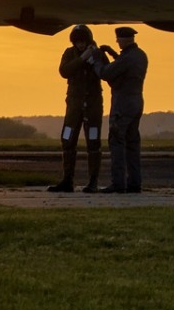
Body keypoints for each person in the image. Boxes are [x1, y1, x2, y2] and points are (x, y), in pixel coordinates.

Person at [93, 25, 149, 193]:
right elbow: (122, 67)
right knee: (132, 143)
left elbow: (105, 73)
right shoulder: (139, 55)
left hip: (122, 103)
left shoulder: (127, 58)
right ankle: (134, 182)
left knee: (116, 142)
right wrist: (112, 54)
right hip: (137, 101)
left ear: (123, 40)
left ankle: (118, 183)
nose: (117, 41)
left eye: (118, 39)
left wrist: (97, 59)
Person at [49, 25, 104, 193]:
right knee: (67, 139)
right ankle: (67, 180)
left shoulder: (98, 53)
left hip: (93, 105)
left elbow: (104, 73)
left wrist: (94, 59)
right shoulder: (69, 53)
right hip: (74, 105)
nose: (80, 45)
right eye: (77, 42)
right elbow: (64, 71)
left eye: (82, 42)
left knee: (93, 142)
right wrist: (82, 59)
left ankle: (93, 181)